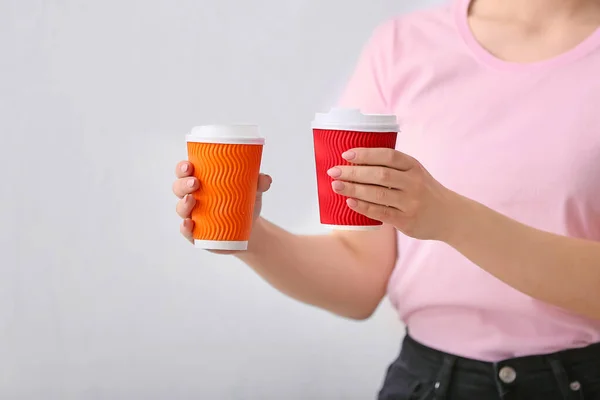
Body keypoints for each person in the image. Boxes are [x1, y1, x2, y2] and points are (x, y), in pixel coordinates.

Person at [173, 0, 600, 398]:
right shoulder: (402, 47)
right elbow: (360, 279)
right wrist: (251, 234)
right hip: (425, 380)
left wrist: (449, 218)